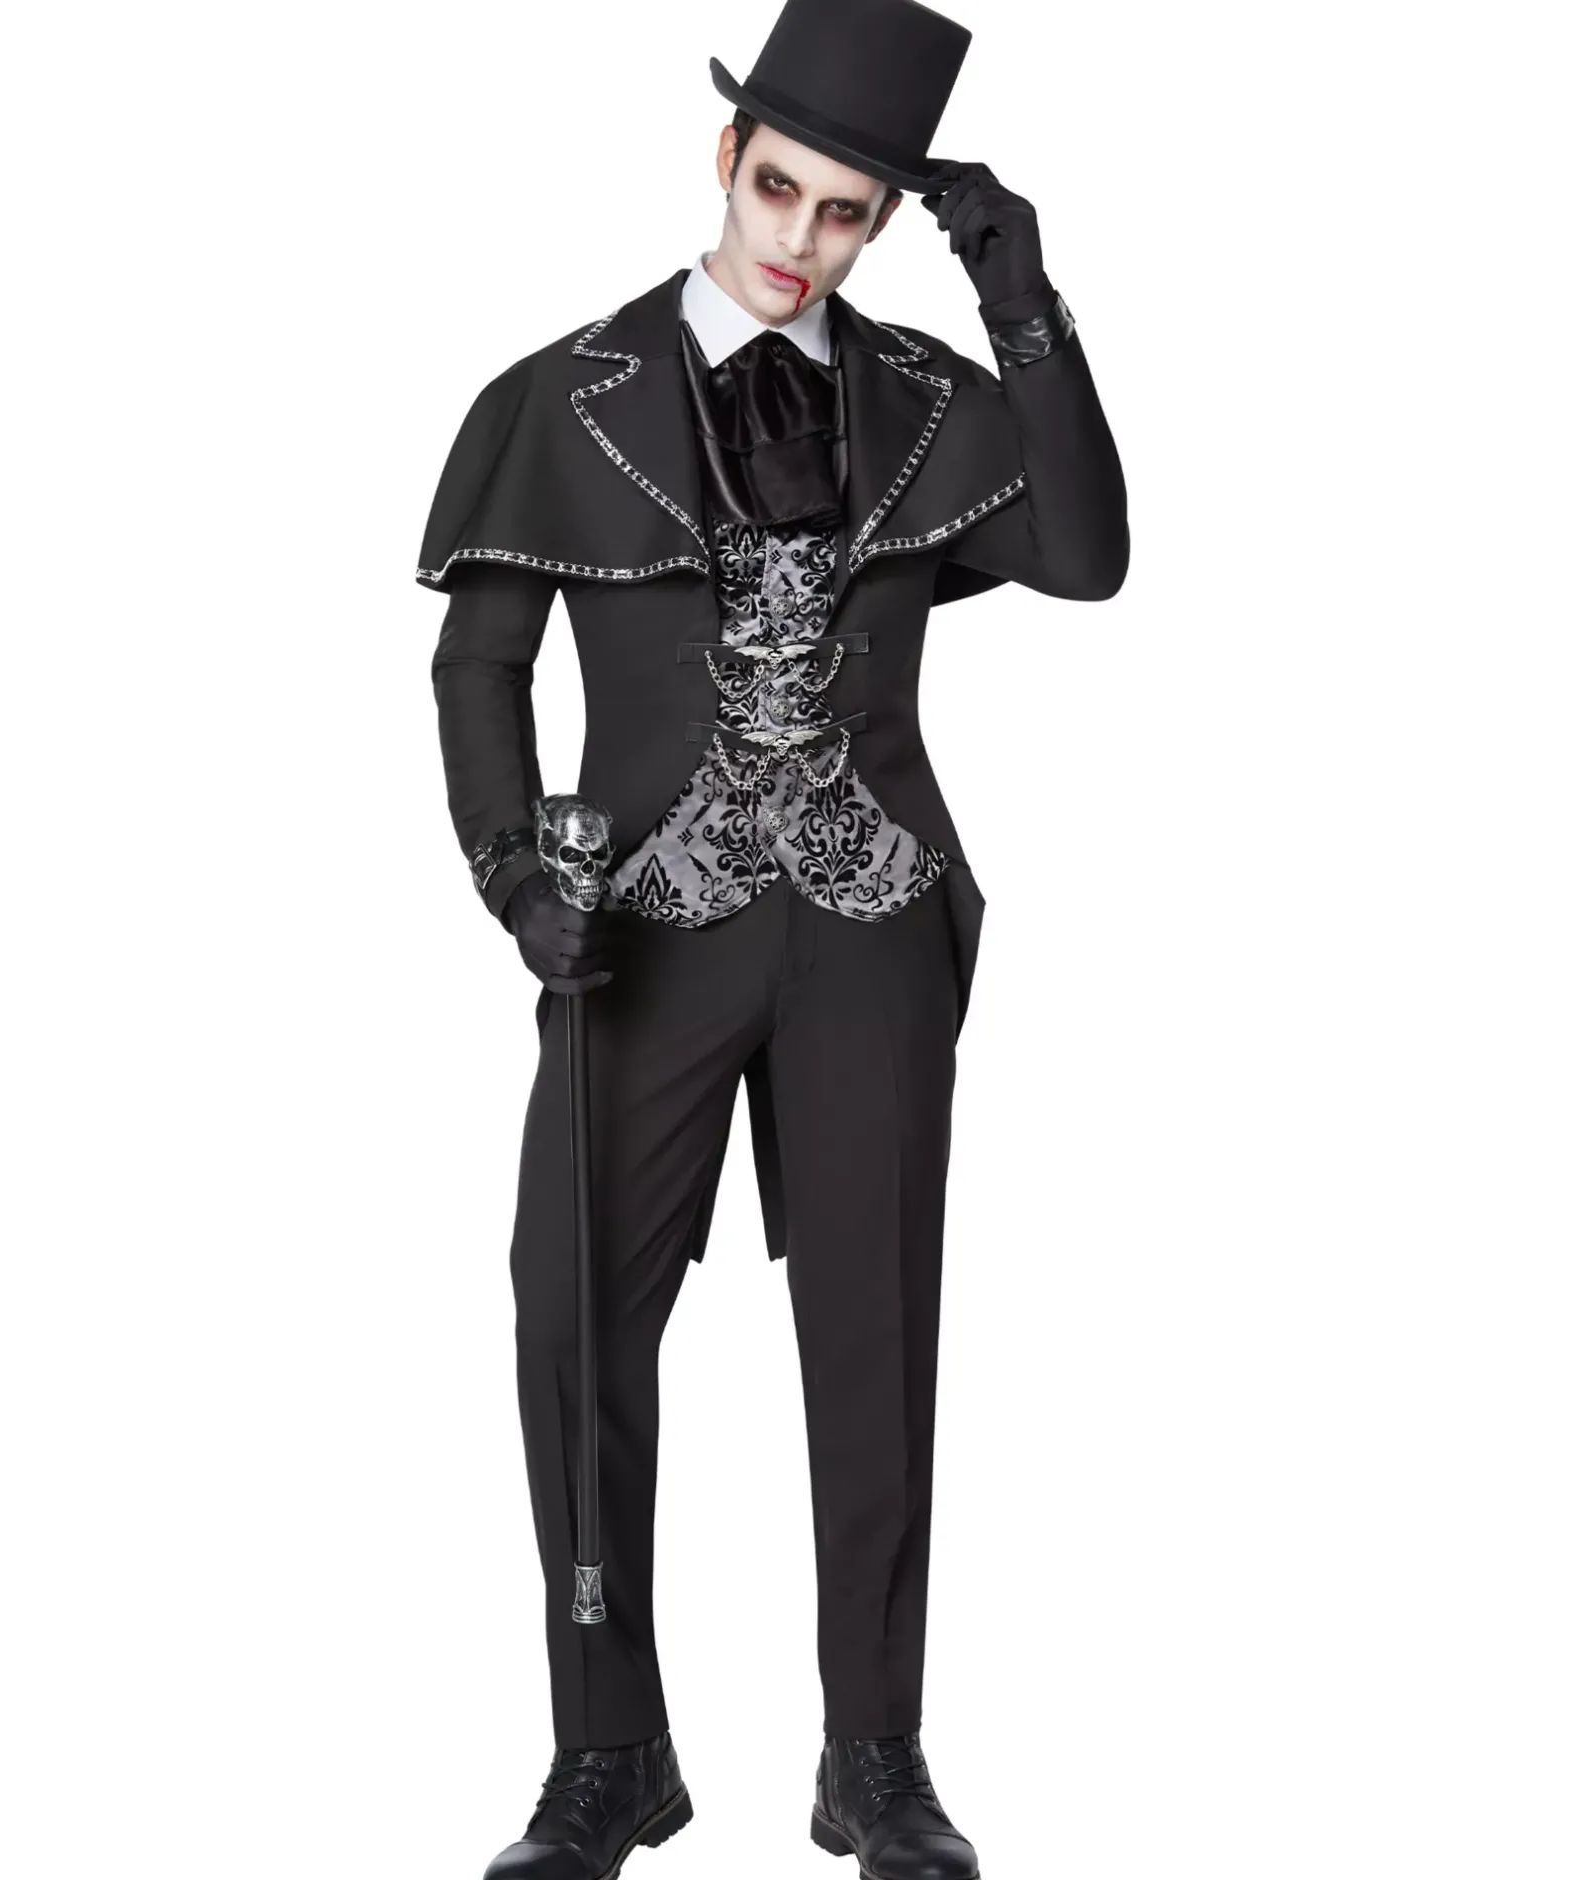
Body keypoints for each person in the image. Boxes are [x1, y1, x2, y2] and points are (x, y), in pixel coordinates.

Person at [414, 1, 1128, 1872]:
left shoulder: (928, 398)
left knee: (877, 1331)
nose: (803, 244)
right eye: (781, 193)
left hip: (871, 921)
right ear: (725, 162)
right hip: (637, 928)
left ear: (884, 222)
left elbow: (1086, 557)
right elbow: (479, 664)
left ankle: (873, 1760)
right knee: (571, 1317)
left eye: (847, 215)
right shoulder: (558, 396)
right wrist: (516, 877)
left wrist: (1022, 300)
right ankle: (607, 1756)